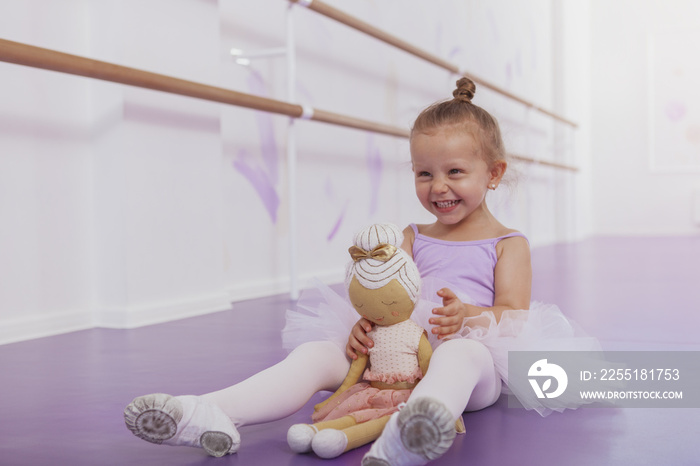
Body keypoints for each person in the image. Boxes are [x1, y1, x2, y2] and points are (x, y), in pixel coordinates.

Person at [124, 77, 598, 464]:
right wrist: (364, 325)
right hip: (395, 354)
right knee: (316, 352)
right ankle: (208, 411)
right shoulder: (412, 235)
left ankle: (411, 431)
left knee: (459, 359)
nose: (438, 187)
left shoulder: (507, 243)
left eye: (455, 172)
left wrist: (468, 316)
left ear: (493, 174)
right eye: (424, 173)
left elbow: (514, 315)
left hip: (469, 358)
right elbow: (389, 295)